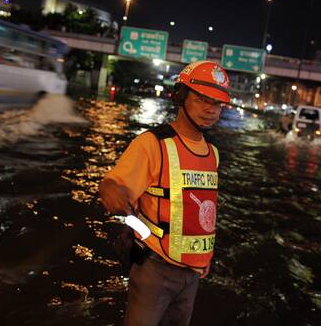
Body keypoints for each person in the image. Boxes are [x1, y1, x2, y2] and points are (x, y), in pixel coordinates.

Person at [98, 61, 230, 326]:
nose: (210, 110)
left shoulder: (212, 153)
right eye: (203, 99)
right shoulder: (152, 143)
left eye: (217, 103)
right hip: (155, 268)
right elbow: (114, 184)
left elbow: (204, 210)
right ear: (181, 96)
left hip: (193, 273)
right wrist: (112, 191)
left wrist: (204, 257)